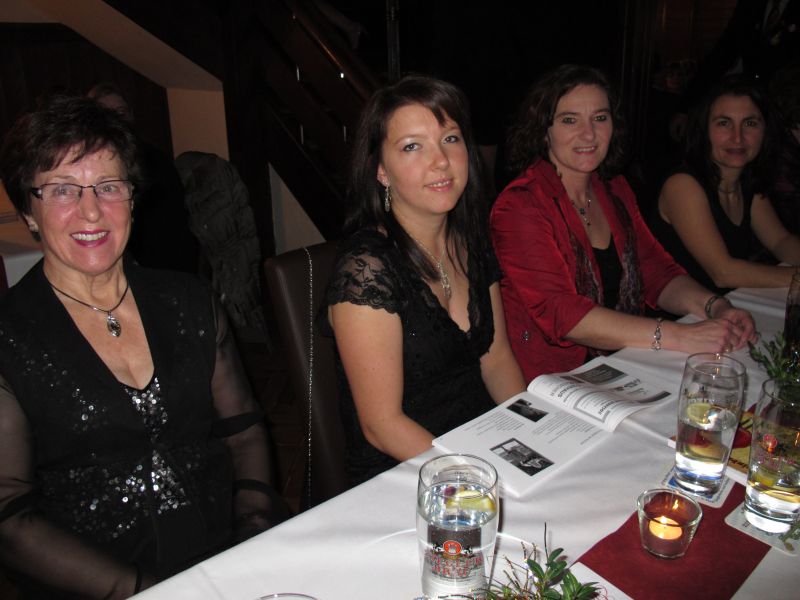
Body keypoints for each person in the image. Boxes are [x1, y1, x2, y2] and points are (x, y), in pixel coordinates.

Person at [0, 95, 285, 599]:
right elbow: (11, 519)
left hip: (223, 563)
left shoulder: (190, 301)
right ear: (29, 210)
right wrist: (150, 592)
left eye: (109, 186)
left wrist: (253, 536)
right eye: (62, 189)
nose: (92, 210)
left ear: (132, 198)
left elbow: (244, 433)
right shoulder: (9, 336)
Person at [491, 65, 756, 382]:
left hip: (624, 363)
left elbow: (655, 271)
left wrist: (717, 307)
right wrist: (681, 335)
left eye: (600, 118)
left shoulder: (613, 188)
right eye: (569, 120)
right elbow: (562, 313)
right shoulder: (520, 204)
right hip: (552, 378)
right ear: (543, 129)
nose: (589, 134)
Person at [321, 75, 525, 486]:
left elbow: (497, 358)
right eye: (412, 146)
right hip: (406, 472)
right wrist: (478, 479)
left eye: (450, 139)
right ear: (381, 171)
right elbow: (382, 425)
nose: (441, 161)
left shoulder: (470, 242)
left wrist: (530, 430)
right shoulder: (366, 269)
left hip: (481, 443)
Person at [653, 76, 800, 293]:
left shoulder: (746, 181)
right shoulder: (682, 185)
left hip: (726, 307)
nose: (737, 137)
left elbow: (780, 241)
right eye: (724, 123)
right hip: (681, 312)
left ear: (765, 131)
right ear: (704, 130)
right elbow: (723, 273)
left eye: (750, 123)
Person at [87, 82, 200, 273]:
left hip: (160, 264)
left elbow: (170, 224)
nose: (116, 119)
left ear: (131, 115)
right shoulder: (87, 166)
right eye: (107, 113)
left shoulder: (154, 159)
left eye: (121, 112)